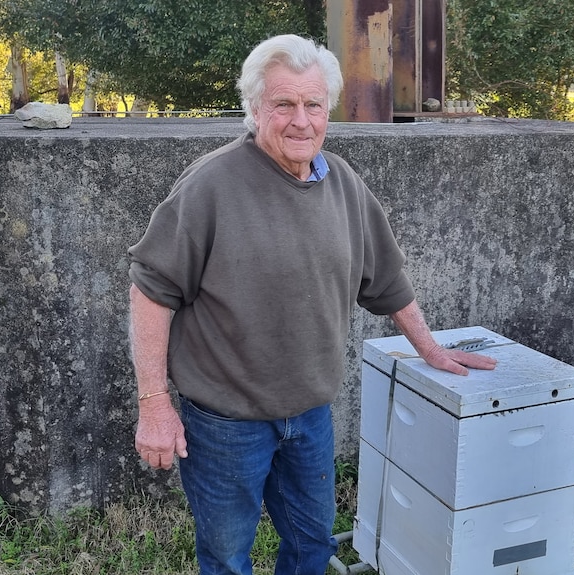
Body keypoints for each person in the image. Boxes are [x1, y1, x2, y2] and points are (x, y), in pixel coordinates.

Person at [127, 34, 496, 575]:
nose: (301, 120)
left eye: (313, 105)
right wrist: (154, 404)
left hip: (310, 416)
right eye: (284, 104)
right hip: (227, 422)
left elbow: (387, 279)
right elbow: (150, 291)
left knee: (311, 545)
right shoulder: (211, 185)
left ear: (328, 110)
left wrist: (432, 350)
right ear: (254, 110)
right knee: (227, 556)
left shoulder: (342, 181)